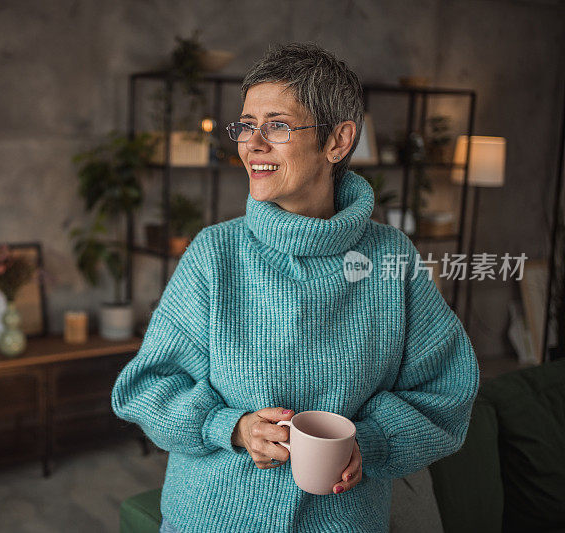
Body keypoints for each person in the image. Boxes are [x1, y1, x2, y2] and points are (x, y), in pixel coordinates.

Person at [111, 42, 479, 533]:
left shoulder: (391, 259)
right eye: (246, 125)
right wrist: (232, 428)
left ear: (338, 141)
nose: (252, 144)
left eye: (277, 126)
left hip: (344, 520)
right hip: (215, 518)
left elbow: (446, 389)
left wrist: (369, 441)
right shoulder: (215, 254)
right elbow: (148, 386)